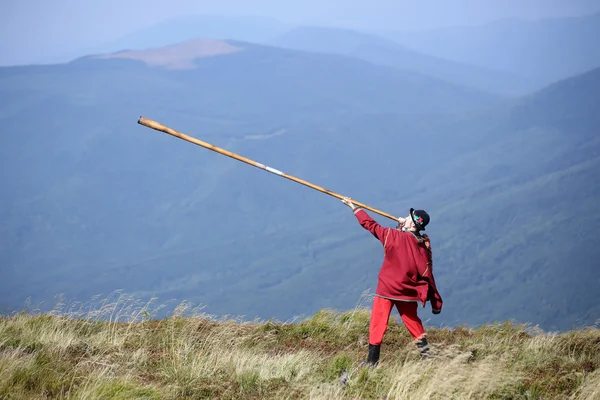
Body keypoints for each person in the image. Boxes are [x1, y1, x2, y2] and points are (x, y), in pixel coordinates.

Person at [341, 197, 442, 364]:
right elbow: (425, 267)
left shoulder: (392, 236)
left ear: (411, 223)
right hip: (407, 292)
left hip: (387, 289)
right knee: (413, 322)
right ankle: (427, 358)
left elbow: (371, 225)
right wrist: (405, 228)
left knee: (378, 323)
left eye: (409, 217)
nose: (405, 217)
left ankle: (372, 363)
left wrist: (354, 208)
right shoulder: (422, 245)